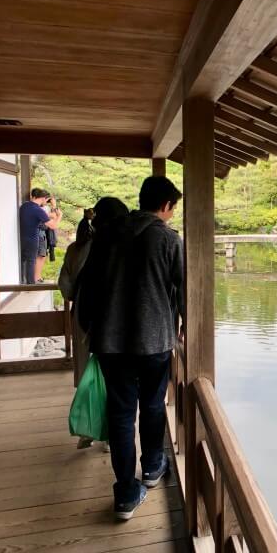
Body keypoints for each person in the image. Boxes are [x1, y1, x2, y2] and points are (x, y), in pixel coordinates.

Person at [78, 176, 183, 521]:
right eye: (172, 208)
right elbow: (185, 291)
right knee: (152, 404)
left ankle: (125, 492)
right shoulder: (168, 239)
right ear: (166, 206)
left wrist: (89, 327)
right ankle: (152, 467)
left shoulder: (108, 234)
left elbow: (87, 286)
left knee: (121, 412)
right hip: (153, 340)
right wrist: (185, 330)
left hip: (110, 340)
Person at [59, 198, 128, 449]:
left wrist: (78, 296)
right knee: (114, 380)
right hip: (112, 322)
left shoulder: (75, 249)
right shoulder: (116, 247)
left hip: (82, 319)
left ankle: (87, 428)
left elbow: (65, 287)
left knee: (87, 375)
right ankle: (109, 433)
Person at [19, 188, 61, 284]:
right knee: (31, 261)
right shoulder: (38, 210)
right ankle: (30, 284)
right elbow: (53, 225)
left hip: (21, 238)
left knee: (22, 261)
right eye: (46, 199)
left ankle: (21, 282)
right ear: (43, 198)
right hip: (32, 239)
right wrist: (59, 216)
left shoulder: (24, 206)